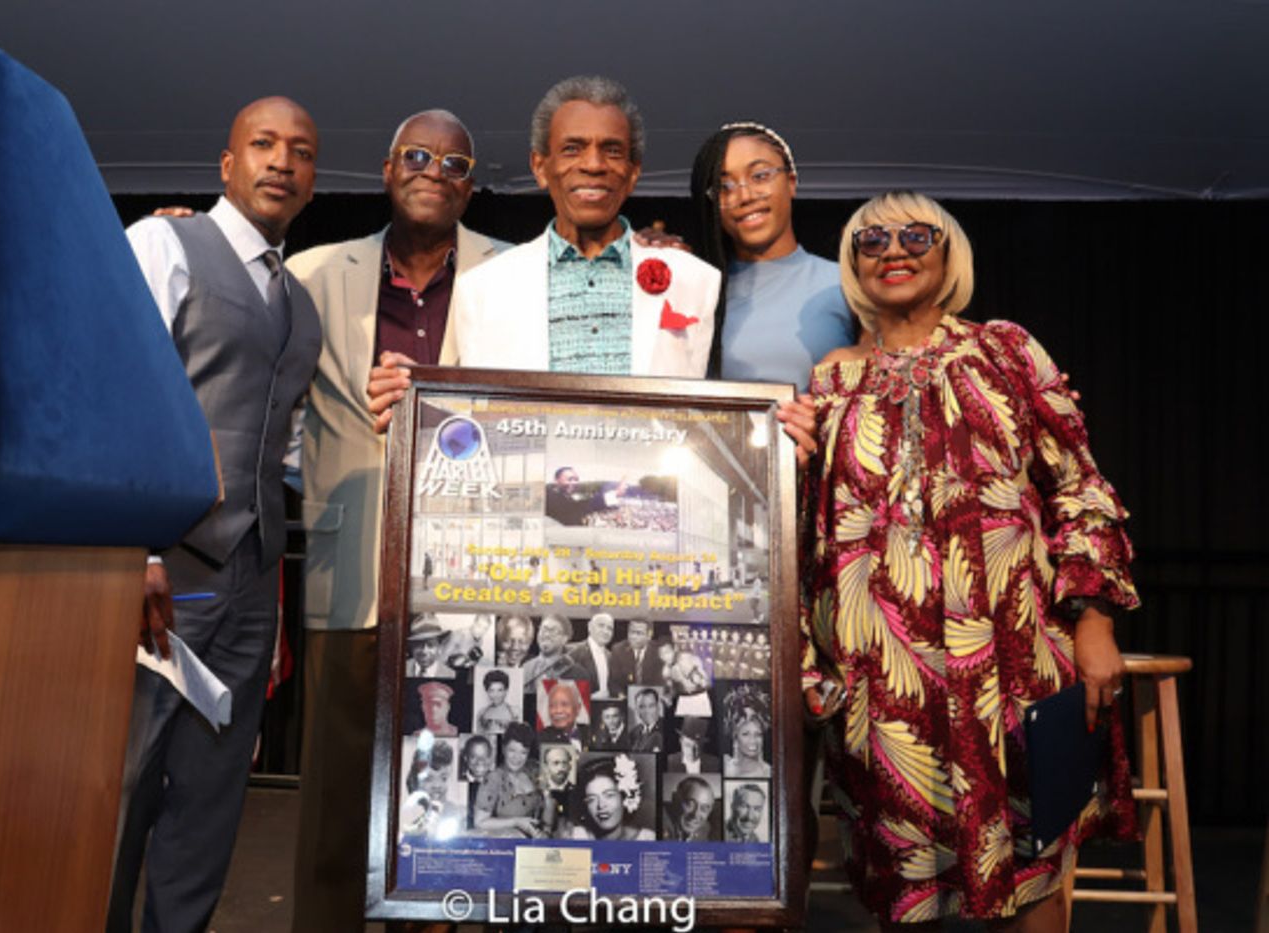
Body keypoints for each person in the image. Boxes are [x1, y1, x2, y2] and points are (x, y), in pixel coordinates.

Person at [800, 190, 1139, 929]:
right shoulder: (829, 382)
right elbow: (808, 534)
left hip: (1012, 668)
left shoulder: (1006, 351)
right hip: (883, 687)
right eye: (872, 240)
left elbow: (1079, 486)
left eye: (916, 234)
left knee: (1031, 874)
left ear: (949, 250)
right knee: (903, 891)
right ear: (853, 265)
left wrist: (1095, 621)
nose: (894, 250)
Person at [283, 109, 507, 933]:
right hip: (352, 573)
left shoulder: (509, 273)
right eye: (417, 155)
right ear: (386, 169)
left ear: (469, 185)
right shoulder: (311, 271)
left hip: (473, 582)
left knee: (455, 804)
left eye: (454, 162)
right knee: (336, 806)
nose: (433, 170)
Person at [110, 96, 321, 933]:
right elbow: (122, 394)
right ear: (227, 164)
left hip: (250, 576)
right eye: (262, 144)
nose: (282, 161)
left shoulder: (299, 302)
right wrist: (134, 550)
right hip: (165, 568)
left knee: (210, 799)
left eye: (301, 151)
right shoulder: (164, 242)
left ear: (311, 179)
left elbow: (290, 443)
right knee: (124, 784)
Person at [446, 75, 720, 377]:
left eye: (612, 150)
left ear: (633, 174)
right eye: (572, 149)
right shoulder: (483, 287)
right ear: (540, 168)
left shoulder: (694, 279)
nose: (593, 164)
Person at [688, 121, 854, 385]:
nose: (744, 196)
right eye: (724, 187)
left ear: (791, 182)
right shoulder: (697, 289)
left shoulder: (846, 285)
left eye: (760, 176)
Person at [473, 721, 551, 838]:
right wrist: (517, 822)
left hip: (536, 842)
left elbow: (549, 801)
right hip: (505, 846)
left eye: (523, 753)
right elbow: (479, 822)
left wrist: (546, 830)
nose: (517, 758)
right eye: (512, 751)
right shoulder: (494, 779)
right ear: (504, 749)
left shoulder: (534, 770)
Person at [568, 756, 655, 841]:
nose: (601, 805)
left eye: (609, 795)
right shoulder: (575, 836)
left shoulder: (648, 839)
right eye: (591, 799)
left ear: (624, 797)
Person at [399, 739, 462, 840]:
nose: (437, 785)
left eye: (443, 778)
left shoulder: (458, 814)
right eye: (428, 779)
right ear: (415, 780)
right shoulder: (404, 815)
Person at [521, 613, 591, 686]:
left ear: (564, 639)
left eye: (553, 631)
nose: (547, 634)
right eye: (544, 629)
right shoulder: (524, 666)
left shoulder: (579, 674)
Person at [545, 467, 626, 526]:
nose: (574, 483)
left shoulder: (565, 497)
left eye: (576, 480)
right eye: (570, 479)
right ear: (556, 480)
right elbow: (577, 507)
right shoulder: (550, 496)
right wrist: (614, 494)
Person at [608, 618, 664, 696]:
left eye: (639, 633)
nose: (633, 637)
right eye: (631, 632)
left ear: (649, 635)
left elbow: (662, 683)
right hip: (626, 699)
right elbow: (613, 682)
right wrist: (621, 696)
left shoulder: (659, 651)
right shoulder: (618, 650)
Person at [566, 611, 615, 697]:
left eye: (609, 628)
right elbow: (563, 689)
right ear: (590, 627)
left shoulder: (611, 657)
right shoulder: (572, 651)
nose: (605, 631)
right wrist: (590, 698)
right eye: (601, 626)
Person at [659, 640, 712, 716]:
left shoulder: (685, 658)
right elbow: (672, 689)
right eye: (662, 654)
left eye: (667, 652)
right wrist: (669, 697)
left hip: (699, 698)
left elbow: (705, 682)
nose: (665, 656)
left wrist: (697, 677)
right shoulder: (665, 670)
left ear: (674, 650)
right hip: (683, 700)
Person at [661, 776, 717, 842]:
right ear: (675, 799)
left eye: (704, 808)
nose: (695, 815)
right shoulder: (661, 821)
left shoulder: (704, 828)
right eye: (690, 804)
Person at [538, 680, 587, 746]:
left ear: (578, 709)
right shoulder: (539, 740)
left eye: (564, 704)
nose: (558, 710)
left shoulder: (589, 734)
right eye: (553, 705)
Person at [723, 709, 769, 778]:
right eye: (745, 734)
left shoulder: (769, 772)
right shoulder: (726, 769)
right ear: (736, 739)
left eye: (758, 735)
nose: (753, 740)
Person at [405, 613, 454, 678]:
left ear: (439, 647)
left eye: (430, 645)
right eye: (418, 644)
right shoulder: (401, 670)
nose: (424, 651)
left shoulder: (450, 675)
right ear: (411, 646)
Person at [476, 668, 517, 735]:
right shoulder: (481, 713)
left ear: (506, 691)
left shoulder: (516, 712)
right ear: (487, 691)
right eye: (491, 690)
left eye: (500, 690)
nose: (496, 695)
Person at [627, 687, 664, 753]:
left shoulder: (666, 730)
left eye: (651, 706)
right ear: (636, 709)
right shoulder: (633, 733)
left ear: (658, 707)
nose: (647, 711)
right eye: (642, 707)